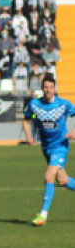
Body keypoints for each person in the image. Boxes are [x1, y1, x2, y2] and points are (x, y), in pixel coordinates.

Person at [22, 75, 75, 226]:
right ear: (42, 88)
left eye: (51, 87)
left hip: (60, 146)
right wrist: (28, 135)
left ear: (54, 88)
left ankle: (43, 215)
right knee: (63, 180)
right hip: (46, 147)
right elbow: (25, 119)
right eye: (45, 87)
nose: (48, 90)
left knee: (48, 176)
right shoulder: (34, 104)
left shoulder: (63, 104)